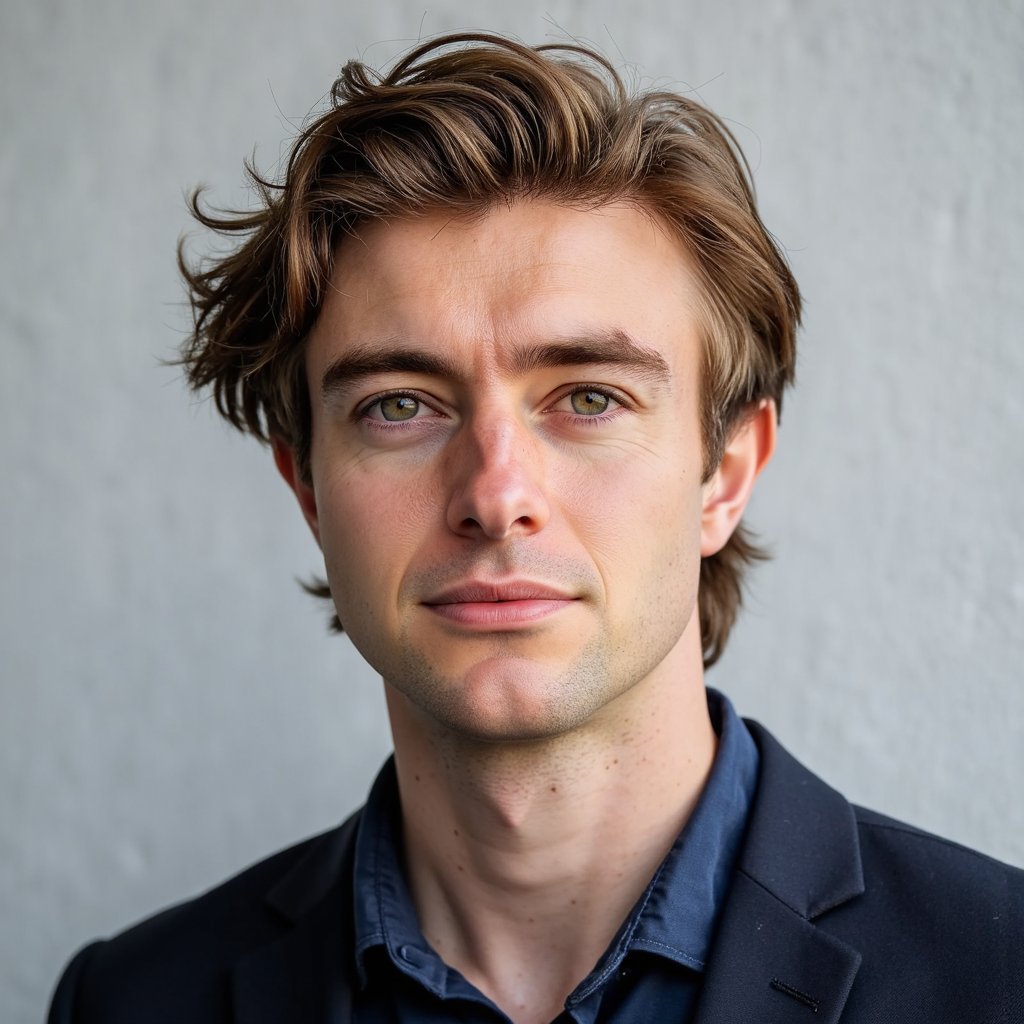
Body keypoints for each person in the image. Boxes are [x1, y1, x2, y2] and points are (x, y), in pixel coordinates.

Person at [49, 32, 1022, 1024]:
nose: (494, 491)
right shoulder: (130, 1001)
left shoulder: (1001, 975)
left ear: (724, 473)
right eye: (398, 405)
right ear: (308, 490)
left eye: (588, 397)